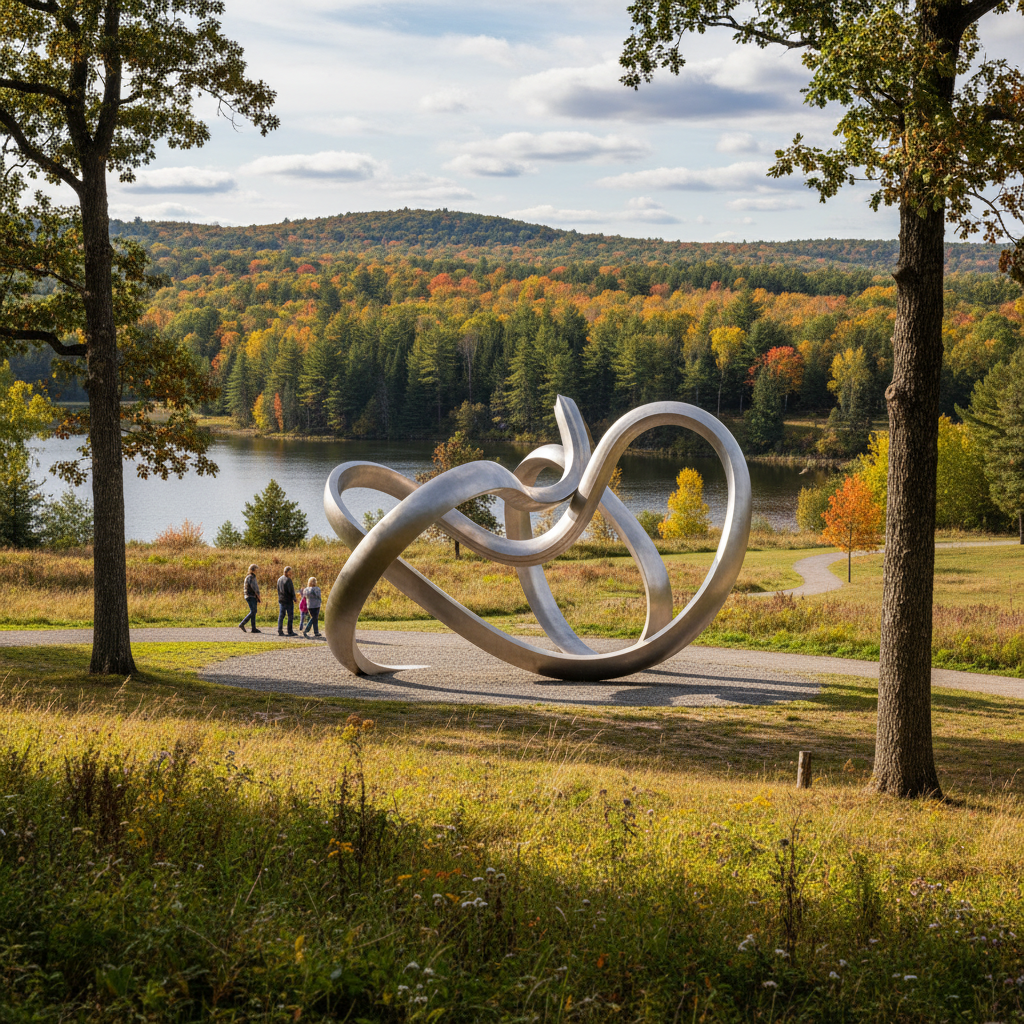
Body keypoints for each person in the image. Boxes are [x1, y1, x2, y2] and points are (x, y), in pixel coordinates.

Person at [240, 563, 261, 633]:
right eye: (256, 569)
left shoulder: (249, 576)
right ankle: (242, 624)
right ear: (254, 570)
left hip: (248, 596)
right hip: (251, 596)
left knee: (253, 611)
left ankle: (253, 628)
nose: (257, 571)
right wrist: (259, 596)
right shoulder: (251, 577)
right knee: (253, 611)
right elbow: (255, 588)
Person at [277, 565, 298, 636]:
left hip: (281, 599)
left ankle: (280, 630)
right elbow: (291, 591)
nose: (291, 573)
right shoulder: (288, 580)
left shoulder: (279, 579)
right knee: (290, 616)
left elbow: (278, 590)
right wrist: (294, 598)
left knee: (281, 616)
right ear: (287, 572)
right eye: (290, 572)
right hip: (288, 600)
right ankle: (290, 631)